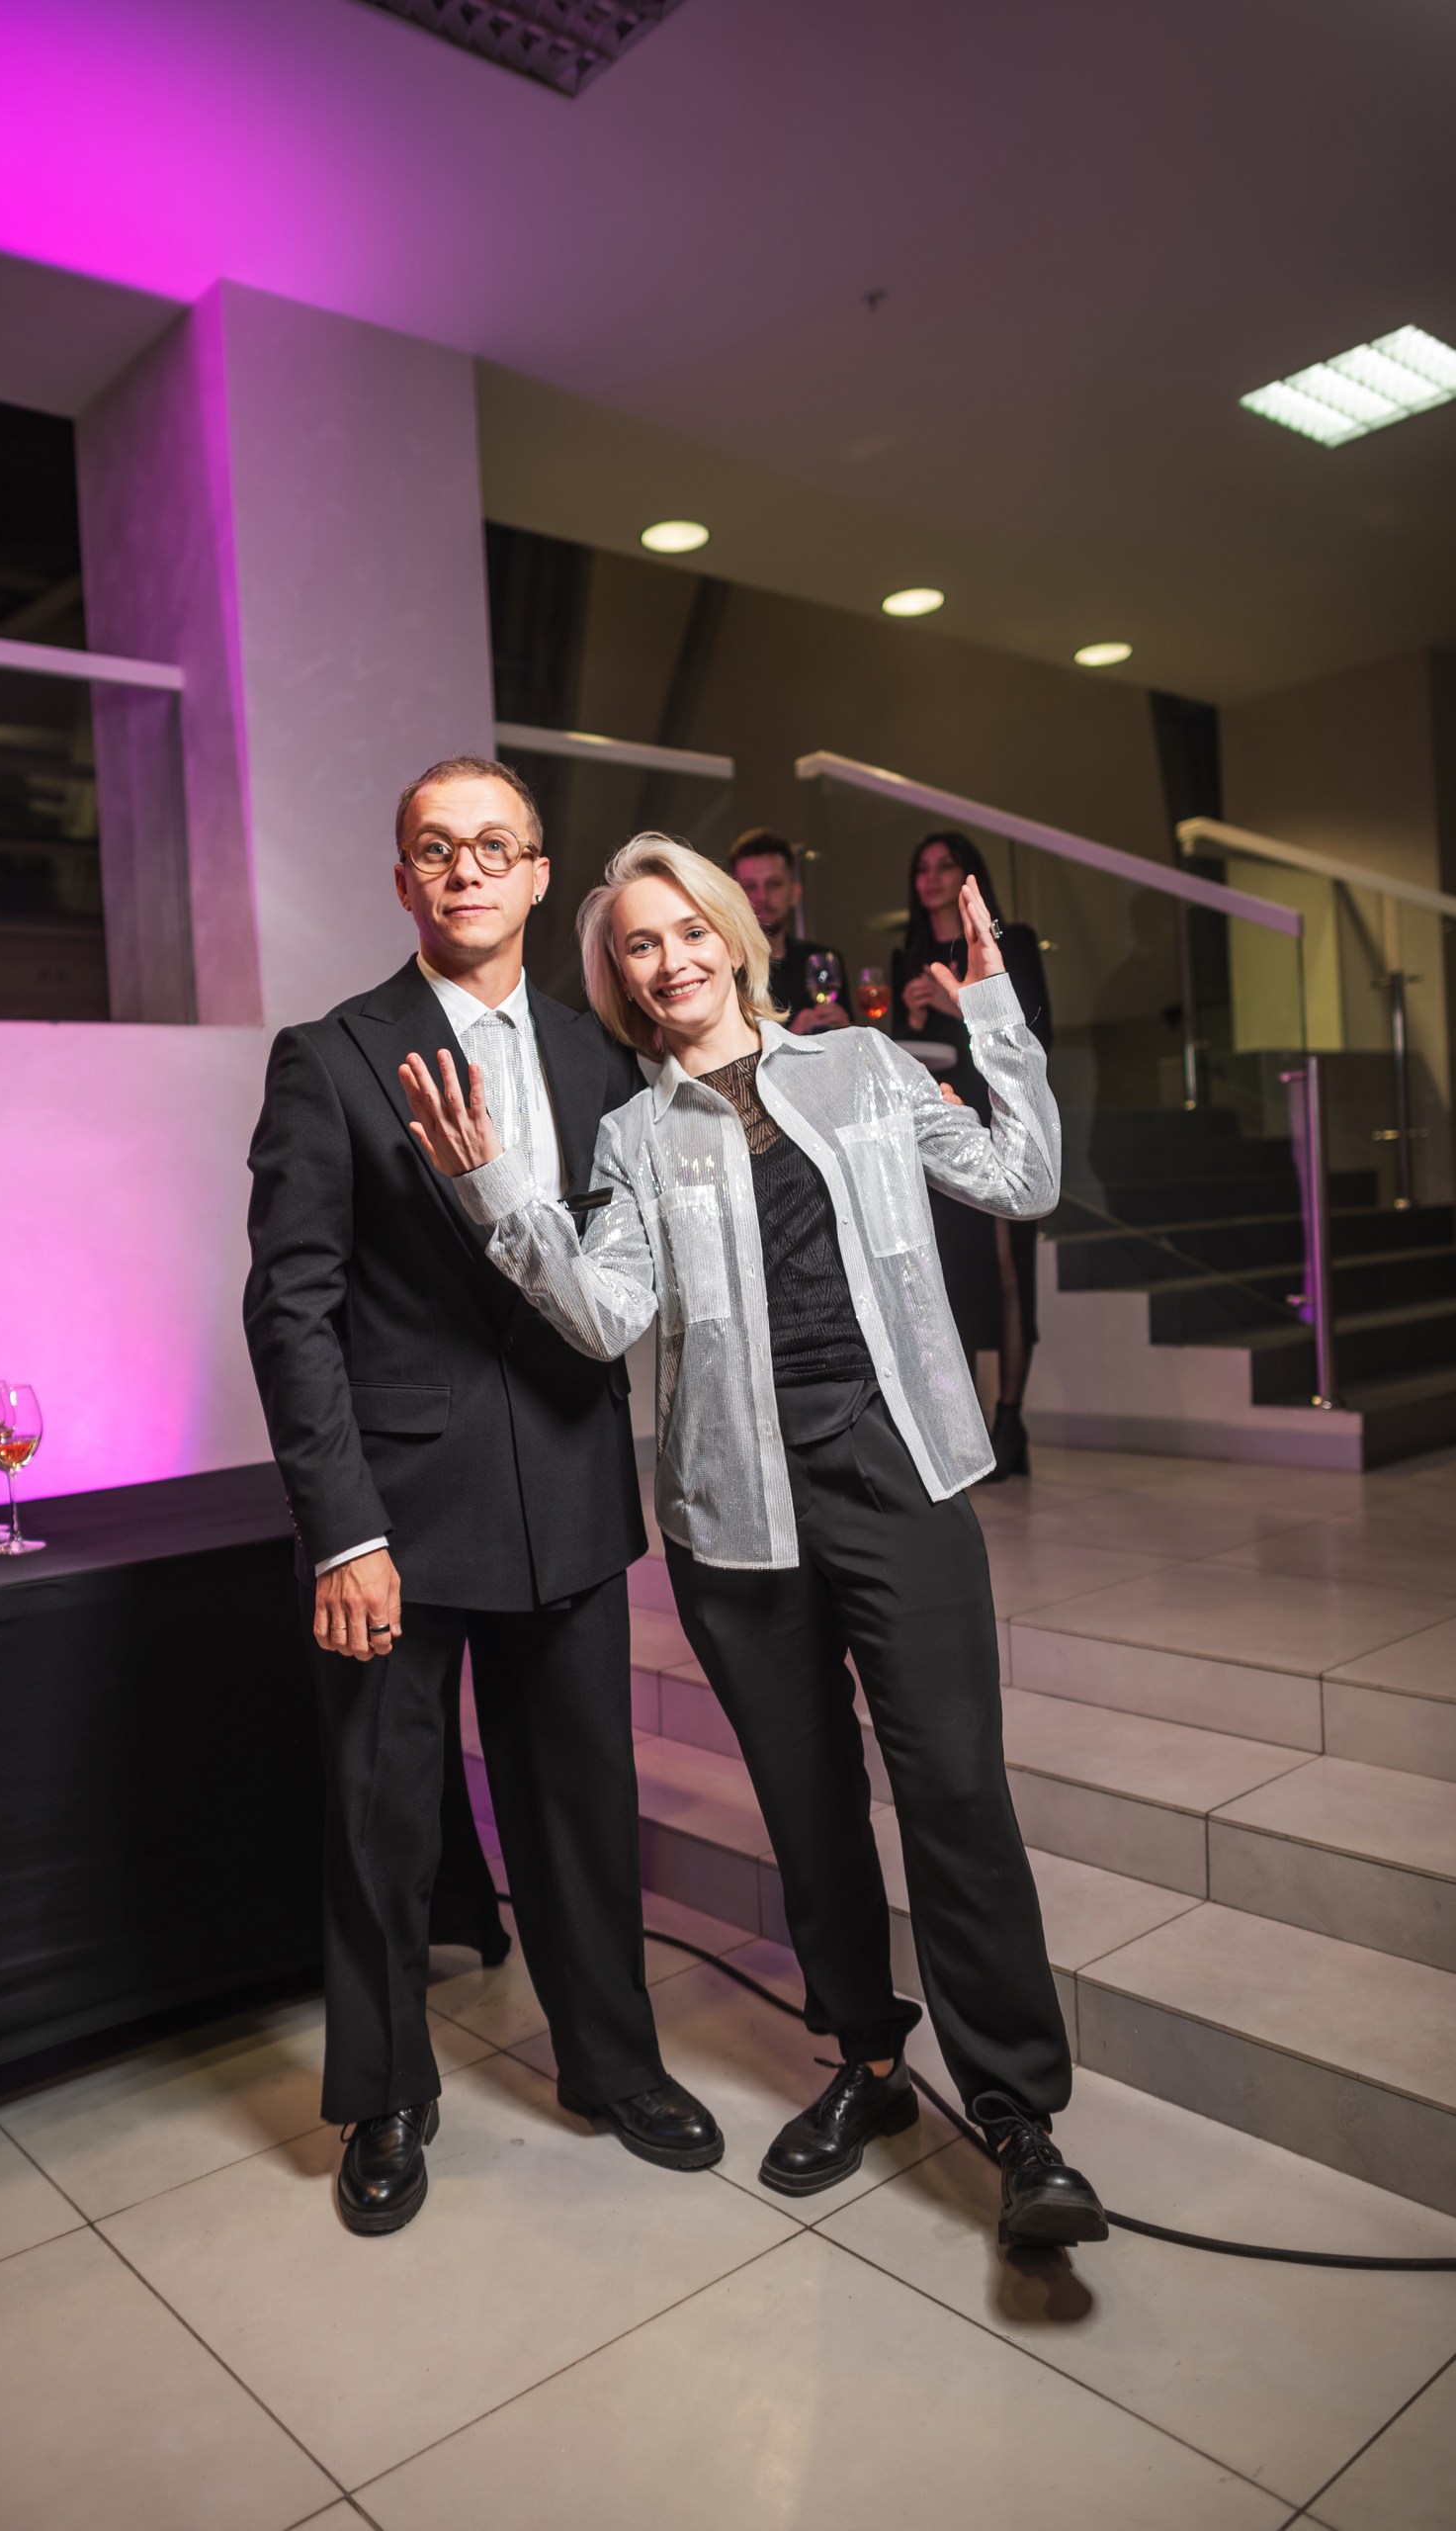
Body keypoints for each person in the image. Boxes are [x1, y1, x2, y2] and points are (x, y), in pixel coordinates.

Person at [401, 832, 1105, 2253]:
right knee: (806, 1806)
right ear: (618, 978)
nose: (668, 962)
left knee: (954, 1792)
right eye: (637, 946)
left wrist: (991, 1012)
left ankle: (1018, 2118)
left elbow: (1022, 1176)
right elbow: (603, 1317)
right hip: (735, 1513)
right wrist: (498, 1198)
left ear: (731, 935)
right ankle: (866, 2060)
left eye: (685, 931)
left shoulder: (861, 1068)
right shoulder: (630, 1137)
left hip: (895, 1476)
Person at [244, 761, 722, 2236]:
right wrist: (342, 1528)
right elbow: (292, 1311)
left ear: (535, 874)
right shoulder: (329, 1056)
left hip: (568, 1491)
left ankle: (613, 2063)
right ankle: (385, 2095)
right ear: (404, 881)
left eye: (493, 847)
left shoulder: (600, 1060)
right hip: (395, 1518)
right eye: (436, 850)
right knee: (383, 1821)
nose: (465, 871)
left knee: (581, 1806)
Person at [896, 830, 1054, 1481]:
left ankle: (1010, 1420)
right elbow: (900, 1054)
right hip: (943, 1121)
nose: (932, 877)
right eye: (922, 867)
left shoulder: (1010, 939)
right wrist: (911, 1021)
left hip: (1001, 1112)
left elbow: (1034, 1032)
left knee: (1010, 1273)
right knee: (953, 1277)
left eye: (946, 866)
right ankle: (964, 1432)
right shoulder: (906, 953)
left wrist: (959, 1004)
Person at [728, 829, 851, 1035]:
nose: (762, 897)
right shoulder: (726, 969)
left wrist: (845, 1031)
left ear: (795, 893)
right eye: (750, 886)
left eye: (774, 884)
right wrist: (793, 1039)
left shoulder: (823, 960)